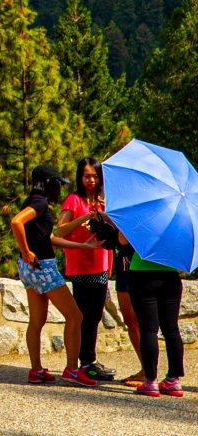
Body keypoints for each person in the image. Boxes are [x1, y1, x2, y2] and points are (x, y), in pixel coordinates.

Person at [6, 164, 84, 386]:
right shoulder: (39, 202)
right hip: (43, 267)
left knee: (37, 320)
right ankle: (72, 369)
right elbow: (16, 222)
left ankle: (36, 370)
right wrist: (26, 250)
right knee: (75, 316)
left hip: (29, 269)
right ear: (49, 183)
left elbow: (47, 238)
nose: (59, 188)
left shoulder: (33, 200)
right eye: (58, 183)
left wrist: (83, 246)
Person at [52, 158, 120, 383]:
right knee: (83, 317)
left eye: (95, 176)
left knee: (94, 317)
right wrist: (86, 216)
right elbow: (60, 232)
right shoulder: (73, 200)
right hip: (80, 267)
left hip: (101, 266)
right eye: (87, 175)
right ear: (80, 177)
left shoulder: (102, 202)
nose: (91, 180)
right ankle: (82, 363)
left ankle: (89, 362)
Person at [118, 239, 186, 397]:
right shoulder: (175, 221)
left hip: (142, 273)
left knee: (149, 329)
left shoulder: (143, 216)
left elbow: (122, 239)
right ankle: (173, 380)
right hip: (170, 274)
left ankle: (150, 380)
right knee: (171, 329)